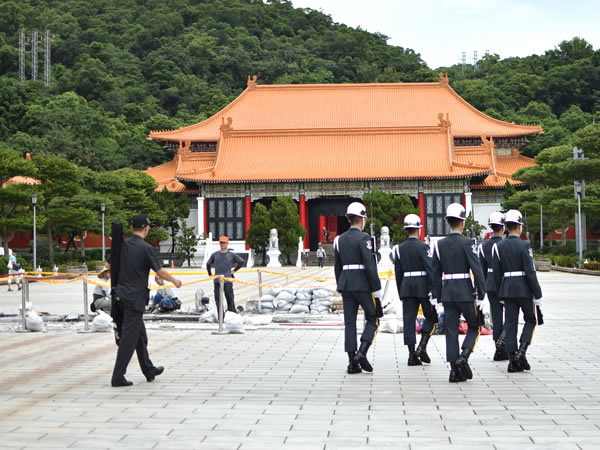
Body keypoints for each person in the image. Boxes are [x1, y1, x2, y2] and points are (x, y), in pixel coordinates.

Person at [102, 213, 182, 387]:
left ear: (131, 228)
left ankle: (148, 369)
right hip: (134, 300)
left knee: (139, 335)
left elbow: (107, 268)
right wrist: (175, 281)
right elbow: (159, 271)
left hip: (119, 298)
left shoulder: (121, 246)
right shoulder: (146, 248)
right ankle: (118, 376)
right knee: (129, 339)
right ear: (146, 228)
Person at [432, 203, 486, 383]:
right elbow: (477, 271)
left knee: (451, 330)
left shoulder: (439, 245)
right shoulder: (468, 243)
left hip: (448, 292)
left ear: (448, 222)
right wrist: (481, 296)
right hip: (465, 291)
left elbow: (435, 274)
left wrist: (438, 297)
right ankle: (464, 356)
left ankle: (454, 371)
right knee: (474, 325)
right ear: (462, 222)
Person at [491, 209, 542, 373]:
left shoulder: (498, 247)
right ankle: (522, 351)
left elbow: (497, 274)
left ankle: (513, 360)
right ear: (519, 226)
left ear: (505, 226)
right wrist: (537, 293)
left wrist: (501, 293)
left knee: (510, 323)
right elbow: (530, 272)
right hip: (523, 288)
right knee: (530, 320)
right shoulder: (524, 245)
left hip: (507, 289)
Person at [334, 202, 382, 375]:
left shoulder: (339, 239)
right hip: (362, 284)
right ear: (361, 219)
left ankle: (352, 362)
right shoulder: (364, 239)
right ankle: (361, 353)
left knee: (350, 323)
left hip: (346, 284)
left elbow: (337, 266)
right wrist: (376, 290)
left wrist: (340, 284)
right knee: (373, 317)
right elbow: (370, 265)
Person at [392, 214, 436, 366]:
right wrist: (433, 290)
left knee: (409, 321)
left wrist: (401, 291)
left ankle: (412, 355)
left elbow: (398, 274)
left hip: (407, 286)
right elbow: (430, 270)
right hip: (422, 286)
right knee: (431, 317)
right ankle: (422, 347)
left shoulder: (399, 249)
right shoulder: (424, 247)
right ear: (418, 230)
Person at [478, 212, 508, 361]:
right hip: (505, 282)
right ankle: (505, 343)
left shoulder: (483, 247)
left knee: (496, 317)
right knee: (510, 316)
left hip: (490, 284)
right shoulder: (505, 245)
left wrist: (482, 290)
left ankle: (498, 348)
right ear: (503, 227)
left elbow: (481, 271)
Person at [206, 236, 244, 316]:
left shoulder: (231, 255)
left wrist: (234, 271)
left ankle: (232, 316)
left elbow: (241, 262)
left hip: (227, 281)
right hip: (217, 281)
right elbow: (208, 264)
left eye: (224, 243)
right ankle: (221, 317)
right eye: (221, 243)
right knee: (218, 300)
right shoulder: (215, 255)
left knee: (230, 299)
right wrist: (210, 274)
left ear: (227, 243)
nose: (222, 244)